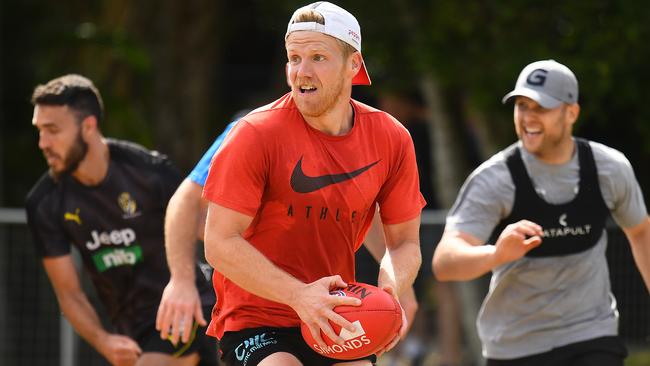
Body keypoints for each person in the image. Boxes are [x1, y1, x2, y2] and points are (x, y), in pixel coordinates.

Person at [201, 2, 425, 366]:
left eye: (318, 57)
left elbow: (404, 243)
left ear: (354, 65)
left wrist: (389, 289)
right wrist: (300, 296)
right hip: (256, 318)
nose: (301, 71)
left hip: (335, 315)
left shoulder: (391, 138)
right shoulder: (255, 133)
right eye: (294, 57)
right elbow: (218, 242)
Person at [432, 59, 650, 366]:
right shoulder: (495, 178)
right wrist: (497, 253)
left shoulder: (609, 169)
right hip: (516, 345)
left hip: (591, 334)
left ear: (571, 112)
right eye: (522, 106)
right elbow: (445, 262)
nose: (528, 117)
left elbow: (641, 231)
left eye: (541, 108)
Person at [25, 74, 218, 366]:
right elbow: (70, 295)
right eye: (39, 131)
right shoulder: (45, 203)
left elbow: (208, 228)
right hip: (134, 334)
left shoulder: (149, 171)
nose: (43, 142)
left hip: (189, 308)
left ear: (88, 126)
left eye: (52, 130)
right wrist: (105, 342)